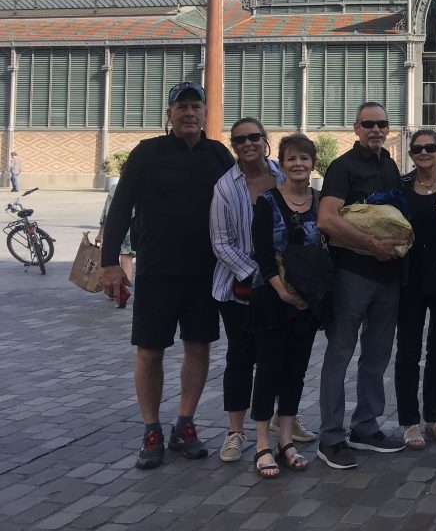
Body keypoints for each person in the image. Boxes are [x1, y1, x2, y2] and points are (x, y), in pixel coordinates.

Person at [100, 81, 234, 469]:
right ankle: (152, 428)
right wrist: (111, 263)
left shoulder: (217, 155)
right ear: (170, 115)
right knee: (150, 350)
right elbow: (121, 207)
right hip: (157, 270)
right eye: (182, 107)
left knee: (198, 345)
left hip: (204, 272)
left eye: (196, 106)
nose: (189, 113)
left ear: (205, 112)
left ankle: (185, 423)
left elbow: (245, 198)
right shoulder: (148, 153)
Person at [210, 118, 315, 463]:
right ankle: (236, 432)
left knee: (282, 358)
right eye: (240, 140)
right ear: (234, 146)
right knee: (241, 358)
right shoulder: (226, 186)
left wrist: (288, 276)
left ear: (265, 140)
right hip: (241, 283)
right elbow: (221, 243)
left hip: (286, 282)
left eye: (254, 137)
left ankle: (283, 420)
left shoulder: (283, 172)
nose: (248, 144)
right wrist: (266, 274)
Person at [315, 102, 406, 469]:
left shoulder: (389, 164)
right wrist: (370, 245)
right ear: (356, 128)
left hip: (388, 278)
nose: (377, 129)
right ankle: (331, 438)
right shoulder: (342, 167)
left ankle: (365, 428)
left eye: (382, 124)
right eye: (369, 124)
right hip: (351, 274)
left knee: (377, 356)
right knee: (339, 355)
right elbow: (326, 219)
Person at [249, 133, 323, 478]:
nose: (298, 164)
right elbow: (261, 254)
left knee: (295, 371)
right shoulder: (267, 201)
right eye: (291, 158)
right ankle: (262, 442)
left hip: (306, 302)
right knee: (269, 370)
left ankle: (285, 439)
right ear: (282, 164)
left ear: (313, 164)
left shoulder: (321, 202)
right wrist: (281, 290)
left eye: (304, 158)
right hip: (272, 299)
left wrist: (306, 295)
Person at [395, 129, 436, 449]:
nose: (423, 153)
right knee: (407, 352)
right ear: (410, 153)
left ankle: (434, 417)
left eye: (430, 147)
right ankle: (408, 422)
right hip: (410, 279)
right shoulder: (402, 186)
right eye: (417, 148)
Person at [97, 189, 135, 284]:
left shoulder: (115, 189)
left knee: (117, 259)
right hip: (135, 228)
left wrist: (101, 233)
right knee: (127, 258)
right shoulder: (143, 186)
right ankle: (123, 290)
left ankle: (115, 288)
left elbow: (107, 214)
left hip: (117, 228)